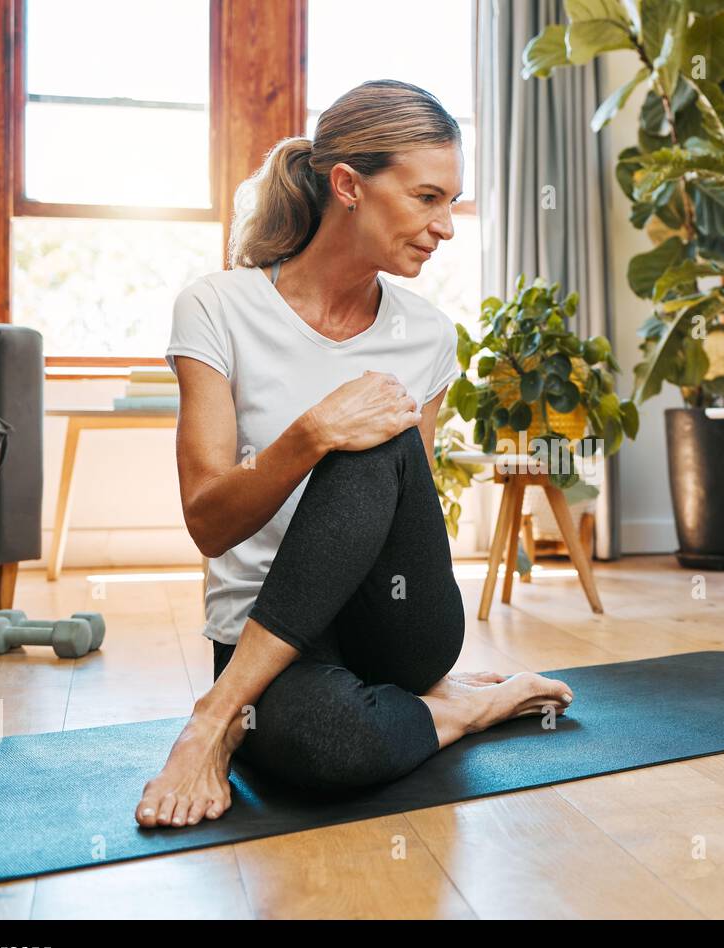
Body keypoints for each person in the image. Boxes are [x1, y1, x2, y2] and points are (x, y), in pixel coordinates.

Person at [135, 80, 573, 829]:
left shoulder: (429, 334)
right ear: (348, 186)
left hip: (397, 625)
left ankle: (215, 716)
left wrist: (349, 436)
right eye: (427, 197)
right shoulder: (216, 307)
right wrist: (311, 435)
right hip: (260, 636)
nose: (446, 226)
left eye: (452, 202)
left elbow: (406, 501)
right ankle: (463, 710)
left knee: (380, 432)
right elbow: (209, 524)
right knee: (324, 745)